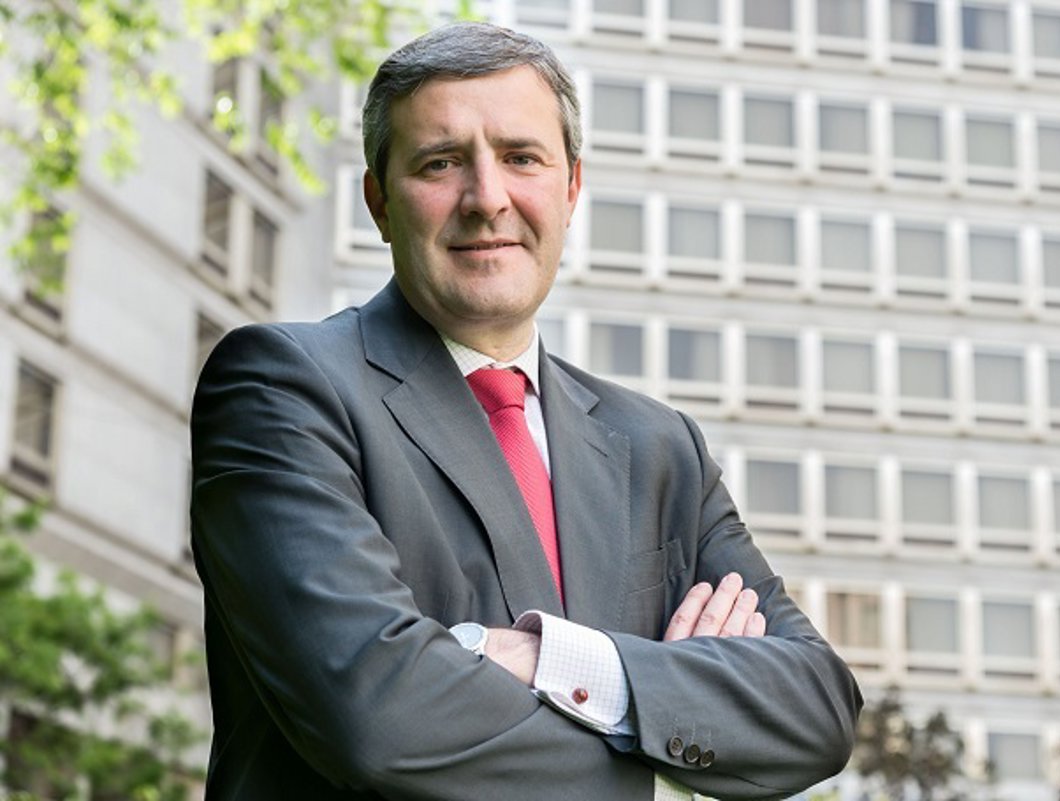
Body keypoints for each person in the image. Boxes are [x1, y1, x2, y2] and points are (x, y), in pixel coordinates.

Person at [189, 21, 861, 801]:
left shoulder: (658, 448)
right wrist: (667, 720)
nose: (487, 198)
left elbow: (815, 707)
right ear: (379, 201)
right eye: (441, 163)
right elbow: (380, 716)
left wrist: (551, 660)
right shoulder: (282, 388)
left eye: (521, 157)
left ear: (570, 188)